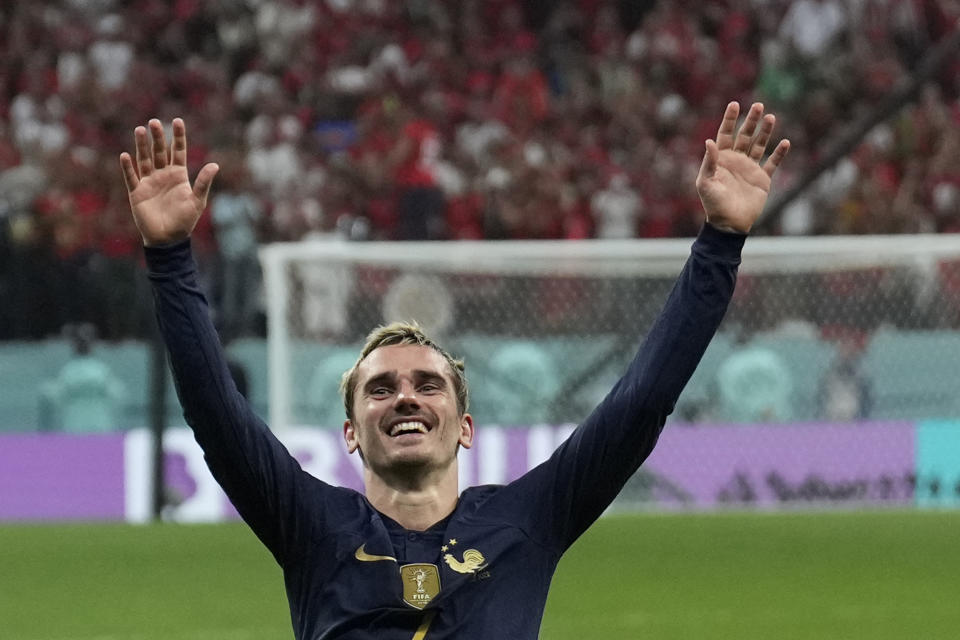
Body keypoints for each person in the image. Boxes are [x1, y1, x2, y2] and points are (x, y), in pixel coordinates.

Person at [119, 101, 789, 639]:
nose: (404, 397)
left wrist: (722, 242)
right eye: (380, 389)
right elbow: (215, 411)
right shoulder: (313, 527)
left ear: (465, 427)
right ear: (351, 433)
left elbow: (643, 401)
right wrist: (171, 255)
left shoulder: (528, 521)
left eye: (426, 383)